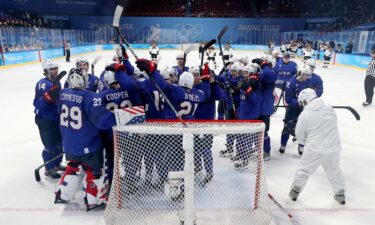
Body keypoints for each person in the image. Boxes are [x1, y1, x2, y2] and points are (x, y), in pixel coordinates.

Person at [55, 68, 117, 211]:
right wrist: (120, 117)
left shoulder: (63, 93)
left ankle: (63, 195)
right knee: (93, 171)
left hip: (69, 143)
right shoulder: (91, 97)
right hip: (88, 144)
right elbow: (104, 122)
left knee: (72, 167)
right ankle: (92, 201)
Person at [289, 88, 346, 205]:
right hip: (333, 147)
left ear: (305, 100)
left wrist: (304, 142)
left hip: (314, 149)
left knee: (303, 170)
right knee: (334, 170)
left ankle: (295, 192)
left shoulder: (305, 114)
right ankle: (340, 194)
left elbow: (299, 134)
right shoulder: (329, 108)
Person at [279, 65, 323, 155]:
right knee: (287, 127)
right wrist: (298, 102)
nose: (308, 77)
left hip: (304, 109)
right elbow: (288, 98)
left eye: (308, 75)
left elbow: (312, 93)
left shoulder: (308, 81)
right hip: (292, 108)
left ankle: (301, 146)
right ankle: (283, 144)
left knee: (304, 128)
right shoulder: (290, 83)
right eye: (306, 75)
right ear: (300, 73)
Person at [33, 59, 65, 179]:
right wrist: (48, 96)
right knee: (50, 146)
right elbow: (37, 103)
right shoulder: (43, 84)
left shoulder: (58, 83)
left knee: (59, 144)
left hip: (57, 118)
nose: (55, 71)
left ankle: (56, 164)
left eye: (56, 68)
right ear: (46, 71)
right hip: (45, 120)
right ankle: (48, 168)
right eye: (52, 69)